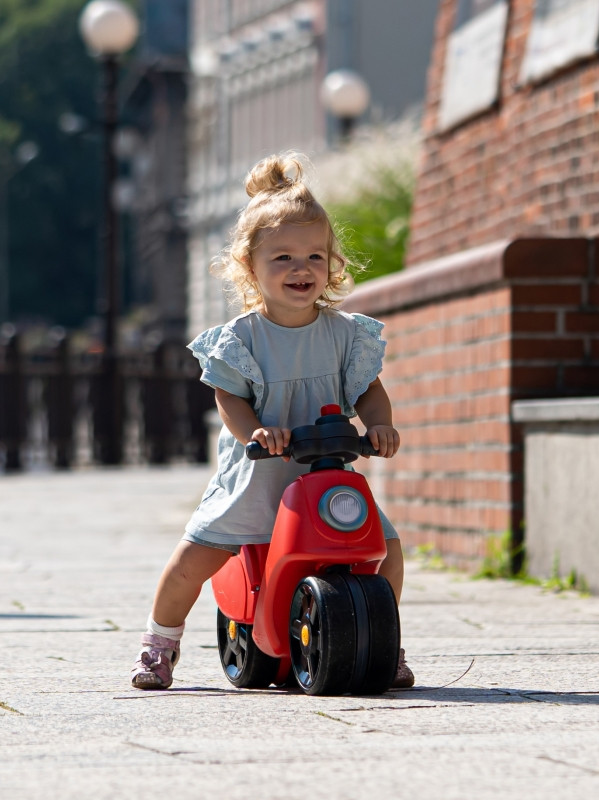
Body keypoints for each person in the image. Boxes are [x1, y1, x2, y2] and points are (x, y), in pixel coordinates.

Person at [131, 152, 414, 691]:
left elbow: (368, 391)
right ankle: (159, 643)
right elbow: (229, 398)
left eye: (314, 256)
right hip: (261, 474)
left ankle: (381, 641)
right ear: (250, 266)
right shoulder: (242, 339)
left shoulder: (345, 335)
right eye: (282, 257)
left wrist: (379, 425)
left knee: (387, 548)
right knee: (195, 556)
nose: (300, 268)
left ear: (332, 263)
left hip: (326, 475)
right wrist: (255, 432)